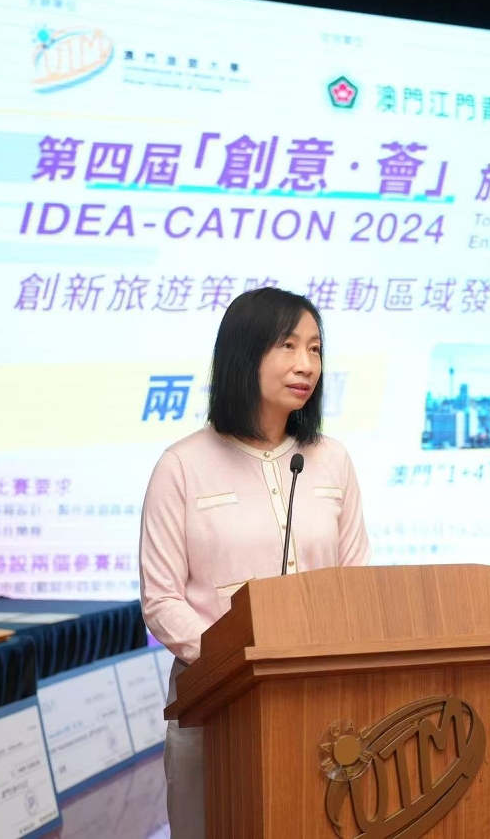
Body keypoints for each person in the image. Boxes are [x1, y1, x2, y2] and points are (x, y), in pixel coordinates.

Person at [138, 287, 372, 839]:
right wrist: (236, 667)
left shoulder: (332, 459)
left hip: (319, 699)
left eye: (315, 349)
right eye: (288, 345)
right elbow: (162, 600)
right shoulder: (181, 465)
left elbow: (356, 581)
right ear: (244, 354)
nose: (306, 364)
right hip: (216, 702)